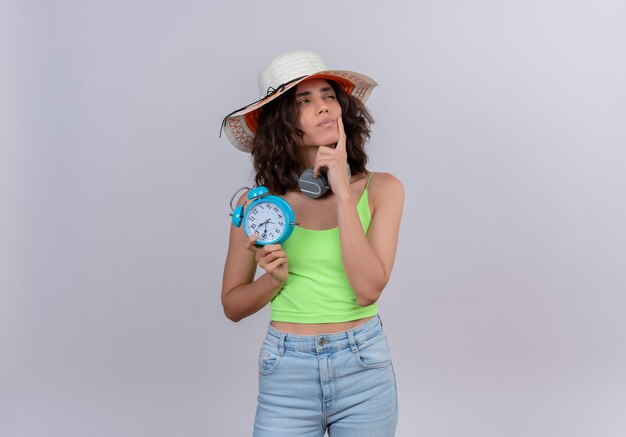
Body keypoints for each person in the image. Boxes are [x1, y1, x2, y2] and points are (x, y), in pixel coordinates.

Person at [220, 50, 404, 437]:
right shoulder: (258, 206)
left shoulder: (382, 189)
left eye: (328, 96)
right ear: (283, 124)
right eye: (304, 101)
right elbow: (232, 306)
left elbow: (368, 289)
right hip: (287, 369)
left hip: (364, 368)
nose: (323, 107)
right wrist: (272, 280)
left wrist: (341, 193)